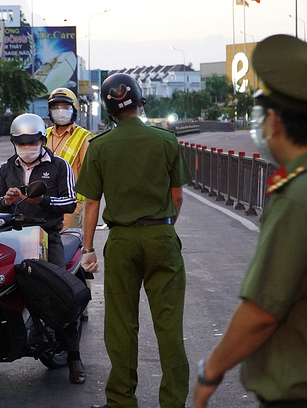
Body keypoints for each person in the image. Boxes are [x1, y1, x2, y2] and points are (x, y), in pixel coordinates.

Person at [193, 34, 307, 408]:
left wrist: (211, 371)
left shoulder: (300, 196)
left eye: (260, 117)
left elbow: (262, 311)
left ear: (276, 121)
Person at [76, 73, 192, 408]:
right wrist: (164, 227)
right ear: (141, 102)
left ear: (109, 111)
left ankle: (122, 400)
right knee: (169, 326)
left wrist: (88, 250)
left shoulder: (99, 147)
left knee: (121, 324)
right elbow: (178, 197)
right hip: (162, 236)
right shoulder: (165, 141)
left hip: (122, 241)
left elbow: (92, 204)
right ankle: (173, 402)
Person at [0, 113, 86, 384]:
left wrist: (42, 199)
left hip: (47, 235)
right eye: (20, 143)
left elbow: (69, 202)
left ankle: (74, 358)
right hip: (11, 235)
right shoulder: (6, 168)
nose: (26, 148)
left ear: (42, 141)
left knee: (57, 293)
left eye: (31, 142)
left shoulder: (59, 166)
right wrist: (5, 202)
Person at [45, 87, 95, 322]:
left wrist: (81, 205)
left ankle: (80, 306)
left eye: (65, 107)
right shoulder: (42, 135)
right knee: (47, 255)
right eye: (56, 107)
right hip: (44, 205)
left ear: (74, 110)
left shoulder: (84, 138)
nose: (60, 111)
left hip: (72, 207)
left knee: (73, 258)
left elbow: (90, 175)